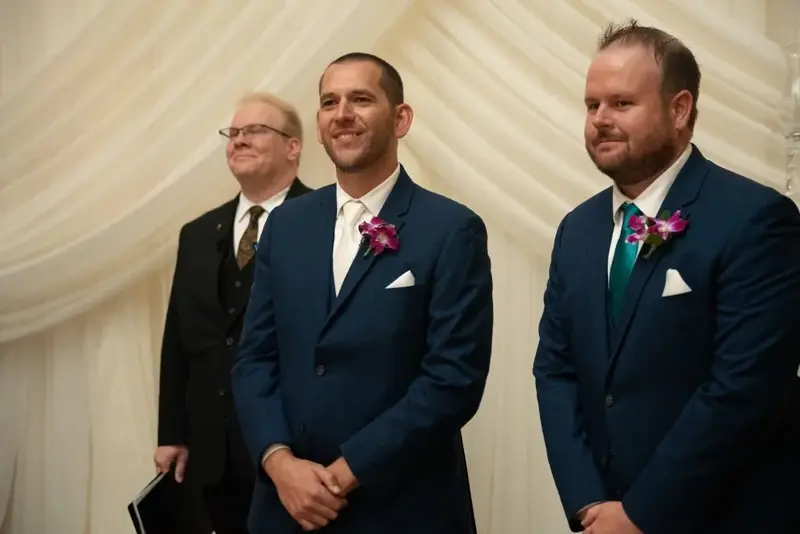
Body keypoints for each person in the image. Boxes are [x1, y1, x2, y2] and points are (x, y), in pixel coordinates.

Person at [533, 19, 800, 534]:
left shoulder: (757, 219)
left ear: (679, 109)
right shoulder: (578, 229)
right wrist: (588, 502)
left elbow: (743, 390)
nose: (600, 120)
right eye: (592, 106)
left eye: (621, 103)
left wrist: (640, 513)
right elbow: (555, 371)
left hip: (724, 514)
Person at [231, 52, 493, 534]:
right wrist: (279, 464)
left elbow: (454, 379)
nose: (343, 113)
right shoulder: (285, 226)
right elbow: (254, 360)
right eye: (330, 102)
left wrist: (345, 472)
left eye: (361, 99)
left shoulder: (451, 229)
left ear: (401, 119)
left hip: (402, 507)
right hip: (286, 508)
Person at [155, 92, 312, 534]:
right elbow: (177, 341)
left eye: (255, 130)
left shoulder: (327, 222)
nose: (239, 140)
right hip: (209, 453)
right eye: (233, 133)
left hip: (294, 450)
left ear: (293, 146)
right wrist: (172, 433)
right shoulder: (198, 233)